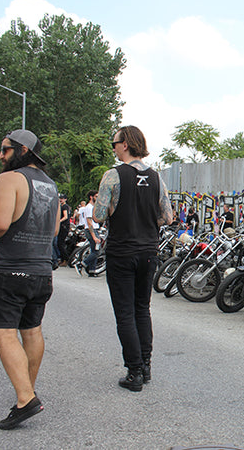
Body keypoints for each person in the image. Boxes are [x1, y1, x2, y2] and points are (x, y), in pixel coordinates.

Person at [0, 129, 59, 430]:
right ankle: (27, 391)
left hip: (11, 271)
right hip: (41, 272)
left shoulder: (9, 179)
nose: (0, 156)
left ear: (22, 149)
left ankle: (26, 398)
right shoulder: (51, 185)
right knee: (32, 330)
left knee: (3, 332)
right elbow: (53, 233)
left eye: (4, 150)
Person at [93, 125, 173, 392]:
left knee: (125, 312)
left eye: (114, 143)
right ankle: (146, 365)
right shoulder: (156, 177)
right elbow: (167, 217)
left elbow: (99, 215)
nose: (113, 147)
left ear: (124, 144)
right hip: (148, 251)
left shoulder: (113, 176)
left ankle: (134, 371)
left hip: (122, 251)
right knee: (142, 309)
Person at [74, 190, 101, 277]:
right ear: (91, 197)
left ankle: (92, 270)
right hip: (91, 230)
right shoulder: (89, 207)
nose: (97, 198)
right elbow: (89, 222)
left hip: (93, 229)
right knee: (97, 251)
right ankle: (82, 263)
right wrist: (94, 236)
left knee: (94, 250)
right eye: (96, 196)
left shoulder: (92, 207)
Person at [56, 194, 71, 266]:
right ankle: (63, 259)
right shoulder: (62, 206)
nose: (60, 200)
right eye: (60, 198)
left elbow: (65, 216)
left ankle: (65, 259)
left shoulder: (64, 206)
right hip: (63, 226)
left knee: (60, 243)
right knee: (60, 243)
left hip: (64, 226)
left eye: (62, 198)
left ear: (65, 199)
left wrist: (59, 221)